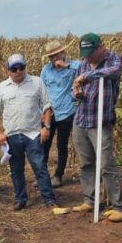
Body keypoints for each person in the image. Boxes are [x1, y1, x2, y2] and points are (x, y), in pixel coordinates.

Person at [70, 33, 122, 222]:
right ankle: (90, 199)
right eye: (84, 53)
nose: (87, 57)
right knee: (86, 163)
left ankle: (118, 206)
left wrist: (86, 77)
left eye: (90, 53)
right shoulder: (82, 63)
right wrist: (77, 93)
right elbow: (76, 90)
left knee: (106, 164)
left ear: (100, 47)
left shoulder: (113, 59)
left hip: (100, 122)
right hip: (81, 120)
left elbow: (113, 71)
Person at [0, 54, 57, 210]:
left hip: (32, 134)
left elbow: (47, 106)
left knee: (39, 167)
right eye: (14, 69)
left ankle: (49, 199)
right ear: (8, 71)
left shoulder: (36, 82)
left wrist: (46, 127)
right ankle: (20, 199)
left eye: (21, 68)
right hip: (11, 135)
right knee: (16, 169)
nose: (18, 71)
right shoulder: (1, 88)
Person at [40, 40, 80, 187]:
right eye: (51, 56)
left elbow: (86, 69)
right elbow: (41, 90)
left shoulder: (73, 66)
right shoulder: (46, 70)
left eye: (56, 54)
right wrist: (41, 111)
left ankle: (58, 175)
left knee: (62, 145)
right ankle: (42, 176)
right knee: (44, 144)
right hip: (49, 112)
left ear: (63, 53)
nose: (54, 58)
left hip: (66, 112)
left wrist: (65, 65)